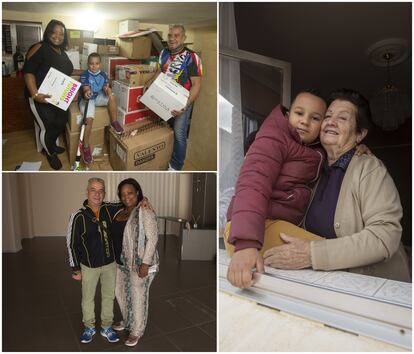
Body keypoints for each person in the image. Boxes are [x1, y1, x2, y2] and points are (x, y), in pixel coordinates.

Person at [236, 89, 410, 288]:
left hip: (376, 290)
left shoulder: (369, 168)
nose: (331, 121)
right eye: (328, 116)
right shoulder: (313, 169)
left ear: (359, 134)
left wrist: (312, 254)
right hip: (330, 286)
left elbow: (385, 235)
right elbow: (259, 175)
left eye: (342, 118)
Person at [66, 177, 121, 344]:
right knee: (88, 298)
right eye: (93, 190)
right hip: (88, 266)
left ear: (104, 193)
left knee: (108, 296)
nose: (97, 194)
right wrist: (75, 268)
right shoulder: (78, 216)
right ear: (87, 192)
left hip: (110, 264)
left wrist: (143, 201)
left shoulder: (109, 209)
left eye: (100, 190)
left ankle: (106, 327)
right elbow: (71, 243)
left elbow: (128, 202)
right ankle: (89, 327)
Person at [145, 24, 203, 171]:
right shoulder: (164, 52)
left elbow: (196, 85)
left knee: (179, 134)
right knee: (166, 129)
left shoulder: (192, 57)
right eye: (170, 35)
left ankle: (176, 166)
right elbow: (161, 71)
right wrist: (150, 81)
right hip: (164, 98)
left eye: (176, 35)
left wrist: (186, 105)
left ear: (184, 38)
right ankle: (166, 154)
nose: (172, 38)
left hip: (182, 102)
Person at [23, 19, 79, 170]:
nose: (57, 36)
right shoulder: (39, 47)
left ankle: (52, 144)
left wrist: (87, 72)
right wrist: (35, 94)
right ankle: (49, 152)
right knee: (48, 126)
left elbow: (67, 71)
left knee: (60, 123)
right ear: (47, 33)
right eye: (54, 32)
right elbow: (28, 72)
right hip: (40, 97)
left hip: (57, 97)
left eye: (61, 34)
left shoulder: (62, 52)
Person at [110, 178, 159, 347]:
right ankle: (128, 320)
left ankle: (136, 331)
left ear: (137, 192)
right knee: (121, 292)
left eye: (130, 193)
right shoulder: (119, 211)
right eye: (123, 194)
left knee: (138, 296)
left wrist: (145, 264)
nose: (126, 197)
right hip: (120, 262)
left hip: (138, 263)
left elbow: (153, 239)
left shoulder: (144, 211)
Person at [79, 52, 124, 164]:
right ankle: (85, 147)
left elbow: (105, 86)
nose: (94, 66)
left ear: (100, 64)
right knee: (89, 120)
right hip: (87, 99)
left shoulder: (103, 74)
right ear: (88, 64)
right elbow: (85, 89)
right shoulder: (85, 74)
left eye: (97, 63)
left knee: (112, 97)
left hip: (98, 97)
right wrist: (87, 92)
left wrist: (107, 90)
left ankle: (114, 122)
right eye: (91, 64)